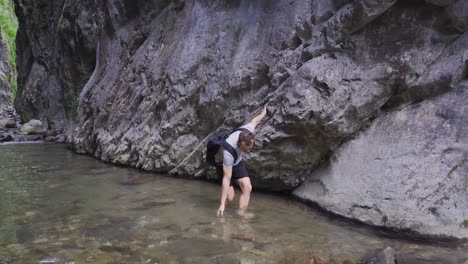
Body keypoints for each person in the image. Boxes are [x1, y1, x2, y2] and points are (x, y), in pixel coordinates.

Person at [216, 105, 268, 217]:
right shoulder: (228, 153)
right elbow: (227, 178)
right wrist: (221, 204)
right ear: (240, 145)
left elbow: (255, 121)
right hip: (223, 164)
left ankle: (242, 214)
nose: (250, 150)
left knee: (247, 187)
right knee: (230, 196)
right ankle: (220, 211)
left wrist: (263, 113)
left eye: (251, 146)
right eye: (247, 148)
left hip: (237, 161)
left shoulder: (247, 131)